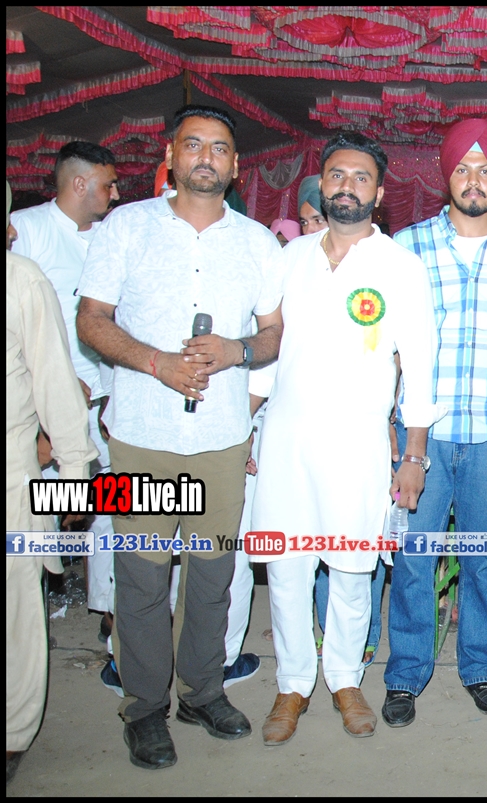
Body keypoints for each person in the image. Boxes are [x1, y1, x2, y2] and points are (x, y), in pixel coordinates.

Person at [76, 104, 283, 770]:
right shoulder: (127, 226)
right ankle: (144, 708)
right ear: (170, 155)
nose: (206, 157)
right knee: (141, 576)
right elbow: (91, 319)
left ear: (235, 165)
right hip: (141, 433)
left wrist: (236, 350)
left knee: (213, 574)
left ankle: (202, 692)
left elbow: (273, 334)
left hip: (221, 438)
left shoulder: (258, 242)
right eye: (193, 144)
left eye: (219, 148)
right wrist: (156, 363)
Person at [250, 132, 438, 744]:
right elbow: (269, 353)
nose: (347, 187)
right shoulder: (290, 257)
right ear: (321, 184)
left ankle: (344, 679)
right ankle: (292, 684)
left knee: (353, 568)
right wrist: (247, 427)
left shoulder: (399, 267)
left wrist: (414, 454)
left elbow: (421, 366)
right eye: (337, 175)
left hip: (358, 444)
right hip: (285, 439)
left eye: (361, 178)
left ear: (379, 194)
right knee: (287, 567)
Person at [383, 118, 487, 727]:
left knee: (482, 558)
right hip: (422, 434)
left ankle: (479, 667)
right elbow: (389, 346)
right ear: (446, 175)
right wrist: (392, 431)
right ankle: (405, 675)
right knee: (414, 557)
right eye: (463, 169)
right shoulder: (408, 245)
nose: (474, 180)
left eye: (486, 170)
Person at [6, 181, 99, 784]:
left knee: (15, 614)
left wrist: (73, 481)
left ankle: (11, 735)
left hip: (12, 480)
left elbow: (57, 389)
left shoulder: (22, 281)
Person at [10, 141, 119, 641]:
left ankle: (111, 613)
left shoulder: (110, 236)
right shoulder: (27, 230)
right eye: (107, 185)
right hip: (43, 407)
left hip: (100, 399)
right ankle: (28, 616)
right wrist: (40, 418)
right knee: (39, 514)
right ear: (79, 184)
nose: (114, 194)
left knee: (109, 507)